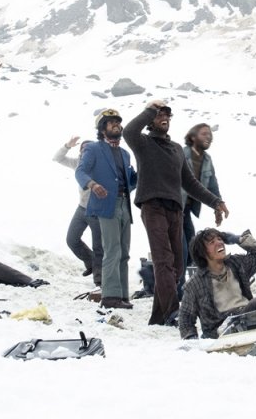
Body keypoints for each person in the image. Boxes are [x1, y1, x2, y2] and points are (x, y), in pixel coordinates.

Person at [124, 100, 229, 326]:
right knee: (164, 262)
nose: (164, 118)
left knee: (178, 266)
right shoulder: (142, 143)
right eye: (160, 115)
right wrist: (150, 109)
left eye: (167, 115)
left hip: (175, 210)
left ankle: (159, 317)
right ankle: (174, 312)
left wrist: (215, 201)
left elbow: (189, 182)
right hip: (153, 207)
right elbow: (129, 130)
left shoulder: (175, 150)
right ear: (151, 120)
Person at [76, 110, 137, 309]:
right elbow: (81, 171)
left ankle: (123, 295)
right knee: (112, 250)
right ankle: (110, 297)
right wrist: (93, 185)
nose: (116, 126)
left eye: (118, 123)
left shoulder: (126, 154)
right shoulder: (93, 149)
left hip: (124, 205)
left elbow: (131, 181)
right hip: (105, 206)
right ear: (102, 129)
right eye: (111, 123)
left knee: (125, 252)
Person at [178, 228, 256, 339]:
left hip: (247, 318)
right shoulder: (195, 284)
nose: (219, 243)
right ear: (202, 252)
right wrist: (191, 339)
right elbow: (185, 317)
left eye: (220, 239)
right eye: (212, 242)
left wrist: (238, 239)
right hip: (222, 331)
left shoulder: (236, 264)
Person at [179, 123, 222, 292]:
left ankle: (190, 285)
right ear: (192, 137)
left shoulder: (207, 159)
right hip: (175, 207)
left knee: (192, 247)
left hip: (187, 210)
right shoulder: (181, 154)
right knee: (181, 248)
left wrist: (217, 206)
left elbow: (212, 185)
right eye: (204, 134)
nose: (208, 137)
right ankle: (179, 289)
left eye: (209, 134)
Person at [54, 136, 103, 283]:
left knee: (99, 246)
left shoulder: (100, 165)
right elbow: (57, 158)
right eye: (82, 149)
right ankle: (91, 263)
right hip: (81, 208)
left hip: (97, 211)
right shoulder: (78, 163)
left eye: (88, 149)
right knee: (72, 240)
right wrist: (67, 145)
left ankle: (100, 281)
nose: (85, 152)